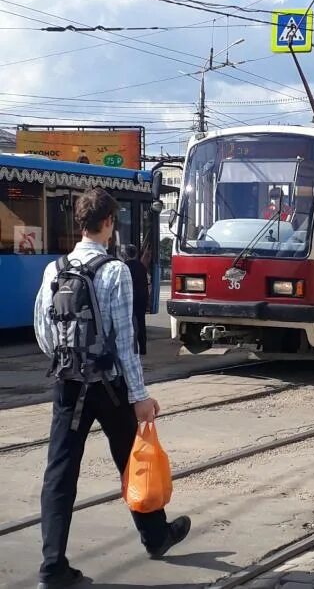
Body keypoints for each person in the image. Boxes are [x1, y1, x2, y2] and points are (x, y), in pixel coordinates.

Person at [34, 188, 190, 589]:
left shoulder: (56, 269)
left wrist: (69, 361)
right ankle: (156, 536)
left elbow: (44, 331)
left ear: (79, 223)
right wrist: (140, 397)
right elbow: (125, 342)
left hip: (68, 384)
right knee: (132, 460)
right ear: (108, 224)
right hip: (109, 387)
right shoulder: (115, 270)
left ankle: (52, 567)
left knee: (60, 472)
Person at [123, 244, 148, 355]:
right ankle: (143, 348)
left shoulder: (124, 267)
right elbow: (145, 285)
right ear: (136, 254)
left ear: (125, 254)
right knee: (141, 323)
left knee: (128, 324)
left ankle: (131, 348)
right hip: (141, 299)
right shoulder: (141, 266)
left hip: (129, 299)